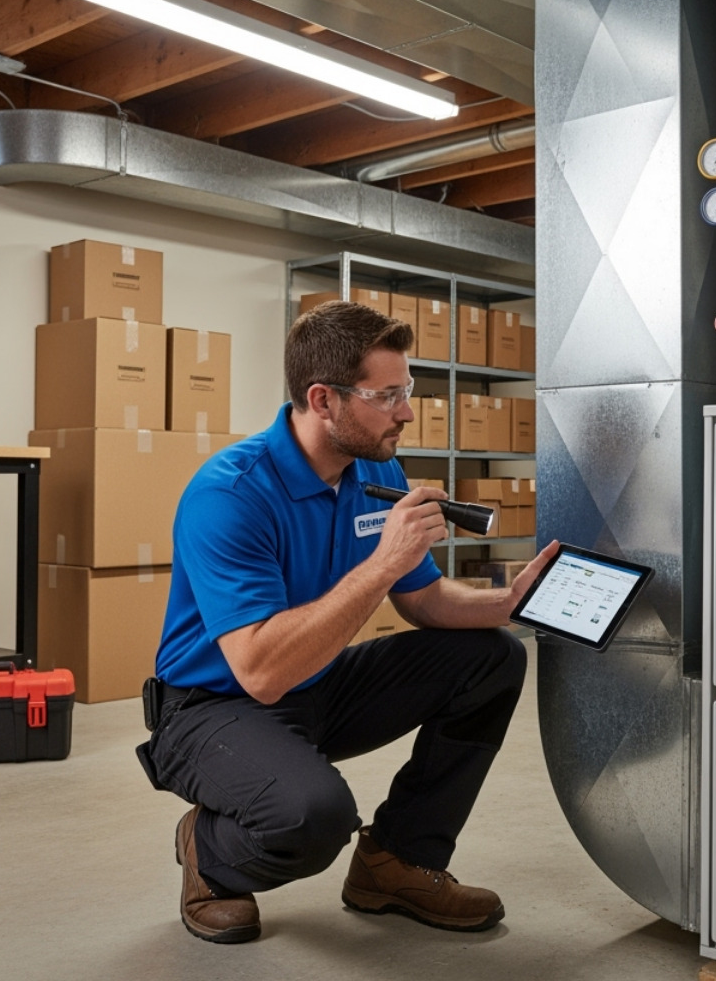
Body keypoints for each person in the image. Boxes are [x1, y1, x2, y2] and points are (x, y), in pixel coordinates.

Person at [136, 299, 557, 944]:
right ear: (323, 400)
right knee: (313, 817)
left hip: (316, 681)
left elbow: (423, 600)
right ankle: (210, 851)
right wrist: (384, 562)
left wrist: (511, 602)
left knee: (492, 656)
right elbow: (261, 672)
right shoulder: (231, 494)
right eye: (386, 396)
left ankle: (397, 861)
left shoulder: (375, 467)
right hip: (213, 705)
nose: (406, 412)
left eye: (406, 391)